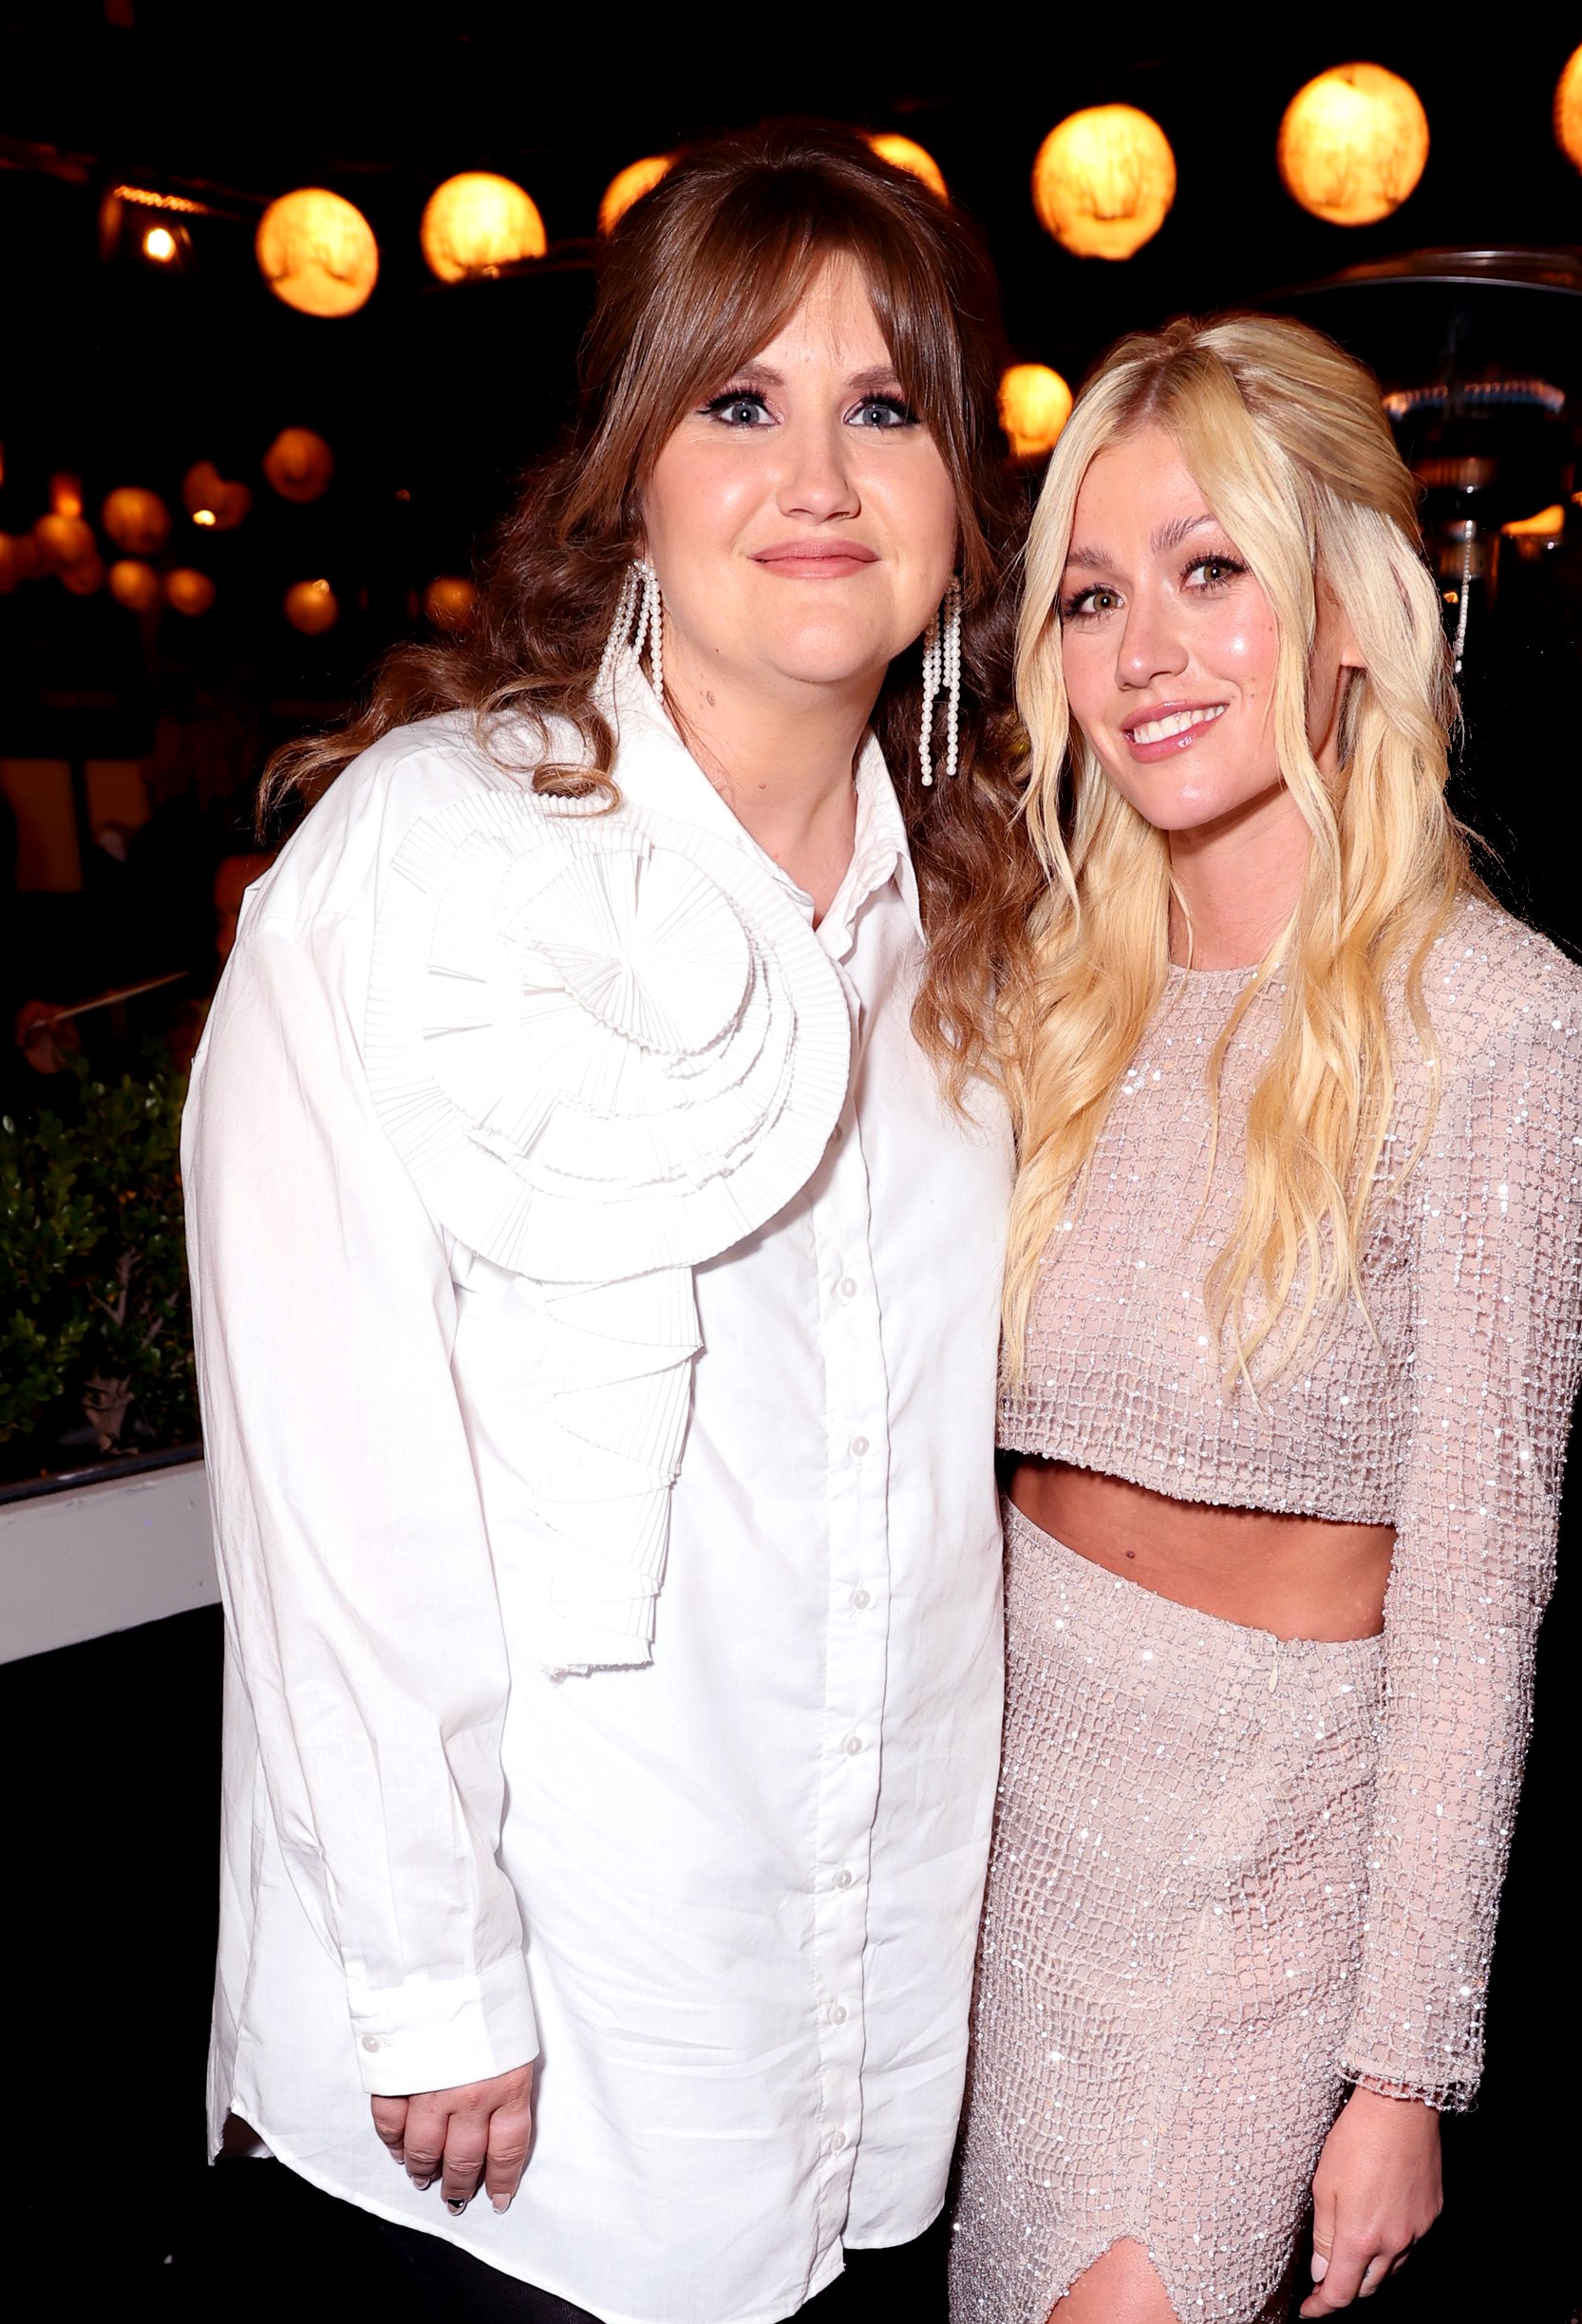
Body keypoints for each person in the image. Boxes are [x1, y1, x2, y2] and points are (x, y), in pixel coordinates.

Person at [184, 123, 1035, 2324]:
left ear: (959, 496)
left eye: (885, 407)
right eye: (738, 403)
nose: (818, 476)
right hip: (516, 2097)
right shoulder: (432, 864)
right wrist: (428, 1967)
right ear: (632, 475)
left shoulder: (995, 934)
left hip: (852, 2056)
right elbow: (331, 1469)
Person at [951, 314, 1582, 2324]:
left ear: (1348, 605)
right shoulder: (1034, 1008)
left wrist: (1399, 2068)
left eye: (1206, 569)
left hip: (1248, 1895)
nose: (1140, 646)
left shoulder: (1511, 1041)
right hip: (995, 1838)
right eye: (1089, 592)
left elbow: (1473, 1597)